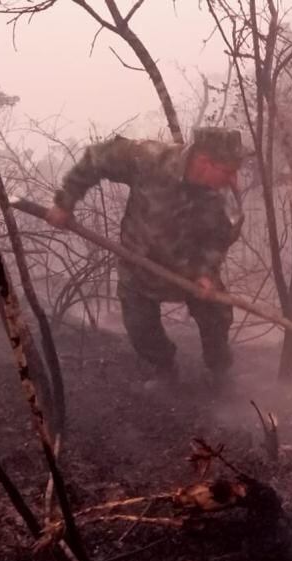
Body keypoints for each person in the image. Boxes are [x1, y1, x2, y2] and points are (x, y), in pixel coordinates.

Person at [45, 127, 246, 389]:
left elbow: (221, 237)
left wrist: (207, 272)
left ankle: (219, 372)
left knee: (217, 317)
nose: (233, 180)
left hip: (191, 272)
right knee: (140, 327)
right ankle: (164, 369)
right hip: (139, 267)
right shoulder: (150, 159)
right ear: (205, 162)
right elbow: (96, 158)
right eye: (228, 171)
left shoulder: (225, 195)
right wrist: (65, 202)